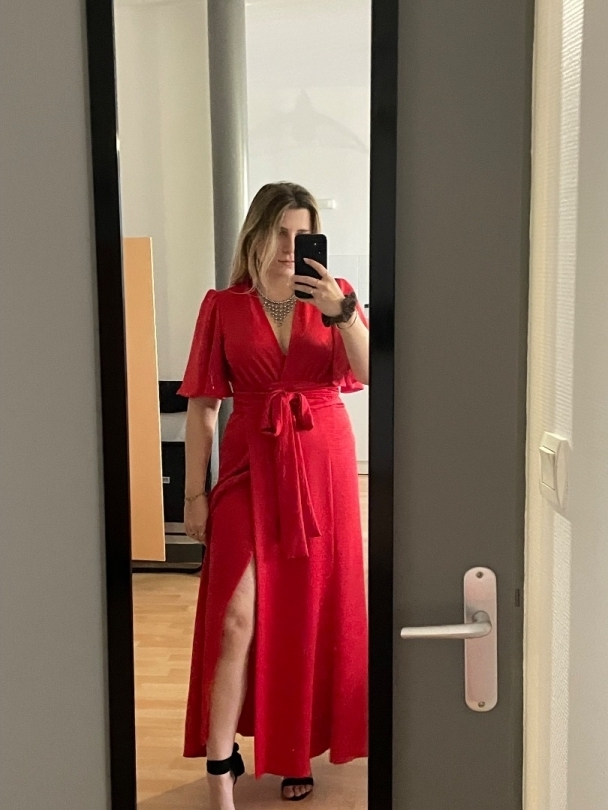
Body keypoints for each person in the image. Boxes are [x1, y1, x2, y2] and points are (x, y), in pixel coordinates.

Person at [178, 182, 368, 809]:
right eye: (280, 232)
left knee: (308, 610)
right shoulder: (223, 305)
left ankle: (295, 748)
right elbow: (204, 408)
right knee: (235, 618)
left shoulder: (336, 295)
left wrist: (342, 313)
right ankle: (220, 763)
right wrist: (195, 495)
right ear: (256, 233)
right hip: (249, 464)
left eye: (303, 234)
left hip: (321, 466)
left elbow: (370, 373)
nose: (291, 246)